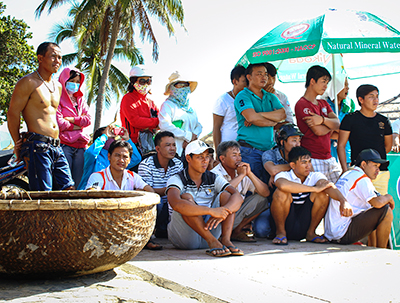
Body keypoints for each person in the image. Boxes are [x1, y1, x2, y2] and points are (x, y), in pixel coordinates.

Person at [7, 42, 74, 191]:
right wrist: (17, 142)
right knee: (43, 194)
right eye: (53, 56)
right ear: (40, 58)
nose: (57, 61)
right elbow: (12, 113)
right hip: (37, 145)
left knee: (68, 189)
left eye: (60, 57)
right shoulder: (28, 82)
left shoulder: (57, 86)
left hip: (56, 145)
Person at [166, 140, 244, 257]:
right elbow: (175, 203)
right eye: (200, 157)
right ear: (188, 159)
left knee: (227, 196)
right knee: (186, 198)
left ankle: (226, 240)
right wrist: (211, 211)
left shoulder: (213, 177)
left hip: (209, 230)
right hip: (185, 238)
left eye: (207, 157)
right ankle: (212, 241)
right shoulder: (177, 178)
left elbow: (237, 196)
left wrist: (225, 210)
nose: (205, 161)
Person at [86, 139, 162, 250]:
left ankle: (145, 238)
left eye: (125, 157)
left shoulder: (132, 176)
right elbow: (92, 194)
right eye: (117, 155)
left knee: (155, 203)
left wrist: (138, 194)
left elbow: (150, 191)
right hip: (106, 219)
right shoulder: (98, 176)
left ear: (130, 160)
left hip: (128, 220)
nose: (121, 160)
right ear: (109, 156)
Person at [271, 146, 346, 245]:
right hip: (286, 222)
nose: (308, 166)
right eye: (303, 163)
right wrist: (314, 189)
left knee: (323, 194)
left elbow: (328, 187)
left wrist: (343, 201)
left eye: (309, 162)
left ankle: (311, 233)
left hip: (304, 224)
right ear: (293, 165)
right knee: (280, 193)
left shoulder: (315, 176)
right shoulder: (284, 175)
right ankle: (280, 232)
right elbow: (282, 185)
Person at [324, 149, 394, 248]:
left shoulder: (348, 173)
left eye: (378, 167)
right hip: (342, 233)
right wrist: (389, 197)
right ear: (364, 164)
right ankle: (382, 250)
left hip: (333, 232)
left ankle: (374, 248)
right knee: (385, 211)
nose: (378, 170)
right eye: (375, 166)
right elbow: (377, 203)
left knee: (373, 209)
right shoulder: (361, 178)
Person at [234, 63, 286, 183]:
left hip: (269, 150)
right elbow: (252, 118)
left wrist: (259, 115)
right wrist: (273, 122)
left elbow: (283, 115)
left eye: (266, 75)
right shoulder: (242, 96)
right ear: (249, 77)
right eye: (259, 74)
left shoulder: (271, 97)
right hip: (249, 150)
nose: (264, 77)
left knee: (270, 188)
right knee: (253, 189)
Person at [338, 84, 392, 195]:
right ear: (361, 99)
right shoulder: (350, 119)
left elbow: (388, 147)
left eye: (377, 96)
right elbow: (341, 145)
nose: (376, 100)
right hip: (357, 171)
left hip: (380, 172)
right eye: (371, 96)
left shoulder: (384, 121)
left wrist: (373, 162)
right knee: (358, 210)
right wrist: (344, 169)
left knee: (381, 207)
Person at [211, 141, 269, 242]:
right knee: (229, 196)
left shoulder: (241, 171)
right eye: (234, 155)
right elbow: (224, 191)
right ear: (222, 159)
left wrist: (249, 174)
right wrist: (241, 176)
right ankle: (224, 235)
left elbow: (265, 193)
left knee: (261, 199)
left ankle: (236, 231)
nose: (239, 159)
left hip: (236, 216)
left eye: (239, 155)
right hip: (219, 219)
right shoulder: (214, 173)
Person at [294, 65, 341, 183]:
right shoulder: (302, 104)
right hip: (312, 158)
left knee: (340, 191)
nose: (326, 86)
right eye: (323, 82)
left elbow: (339, 124)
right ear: (312, 81)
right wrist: (331, 127)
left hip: (329, 157)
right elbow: (318, 131)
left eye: (327, 83)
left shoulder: (323, 103)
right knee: (320, 195)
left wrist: (322, 120)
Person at [255, 124, 303, 238]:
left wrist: (279, 172)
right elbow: (272, 170)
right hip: (272, 201)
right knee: (261, 230)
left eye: (299, 140)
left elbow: (309, 172)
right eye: (294, 140)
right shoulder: (270, 154)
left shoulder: (301, 153)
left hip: (297, 201)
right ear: (282, 142)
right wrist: (295, 167)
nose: (298, 144)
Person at [138, 131, 184, 238]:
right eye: (168, 145)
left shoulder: (178, 164)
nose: (172, 148)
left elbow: (181, 188)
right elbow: (147, 192)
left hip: (171, 203)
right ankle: (150, 232)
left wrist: (172, 192)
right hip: (156, 205)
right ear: (158, 149)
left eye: (174, 145)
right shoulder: (146, 165)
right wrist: (171, 190)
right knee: (156, 201)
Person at [57, 67, 92, 187]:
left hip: (81, 145)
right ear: (64, 80)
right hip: (64, 145)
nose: (75, 85)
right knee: (65, 183)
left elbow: (88, 120)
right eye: (72, 81)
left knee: (78, 183)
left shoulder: (80, 99)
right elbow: (59, 123)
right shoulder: (57, 98)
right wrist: (77, 126)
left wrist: (71, 120)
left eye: (78, 82)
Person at [78, 124, 141, 190]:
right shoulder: (94, 157)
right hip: (88, 193)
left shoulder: (117, 158)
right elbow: (91, 153)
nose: (112, 140)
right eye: (109, 138)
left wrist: (127, 139)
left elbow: (136, 158)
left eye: (113, 138)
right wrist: (105, 136)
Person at [159, 71, 201, 158]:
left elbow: (199, 126)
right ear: (172, 88)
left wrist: (192, 139)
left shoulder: (191, 108)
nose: (183, 88)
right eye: (179, 85)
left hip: (191, 151)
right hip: (175, 151)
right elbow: (165, 125)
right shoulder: (167, 105)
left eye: (185, 85)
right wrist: (187, 136)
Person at [120, 66, 159, 154]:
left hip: (151, 143)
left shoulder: (151, 102)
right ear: (133, 81)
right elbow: (135, 121)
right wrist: (155, 122)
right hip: (133, 144)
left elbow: (161, 119)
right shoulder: (128, 98)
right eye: (142, 81)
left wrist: (149, 123)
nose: (145, 84)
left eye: (148, 81)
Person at [212, 65, 247, 149]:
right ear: (235, 82)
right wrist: (217, 152)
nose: (247, 85)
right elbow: (216, 128)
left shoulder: (249, 99)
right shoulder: (223, 100)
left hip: (246, 147)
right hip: (227, 148)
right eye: (244, 81)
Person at [325, 74, 354, 166]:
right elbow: (327, 133)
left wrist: (337, 130)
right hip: (329, 157)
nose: (347, 88)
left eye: (348, 85)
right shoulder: (323, 106)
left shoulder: (350, 105)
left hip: (347, 156)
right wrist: (345, 133)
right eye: (344, 85)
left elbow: (353, 130)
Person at [264, 62, 294, 128]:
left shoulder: (281, 96)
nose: (271, 81)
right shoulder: (254, 96)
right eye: (268, 78)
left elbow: (289, 118)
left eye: (273, 77)